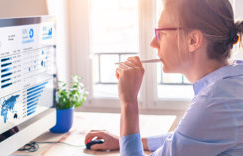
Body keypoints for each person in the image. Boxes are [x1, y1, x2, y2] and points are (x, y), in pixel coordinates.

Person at [85, 0, 243, 155]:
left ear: (193, 40)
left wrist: (129, 102)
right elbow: (184, 139)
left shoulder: (212, 103)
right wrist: (124, 141)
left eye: (161, 33)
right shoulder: (233, 79)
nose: (153, 43)